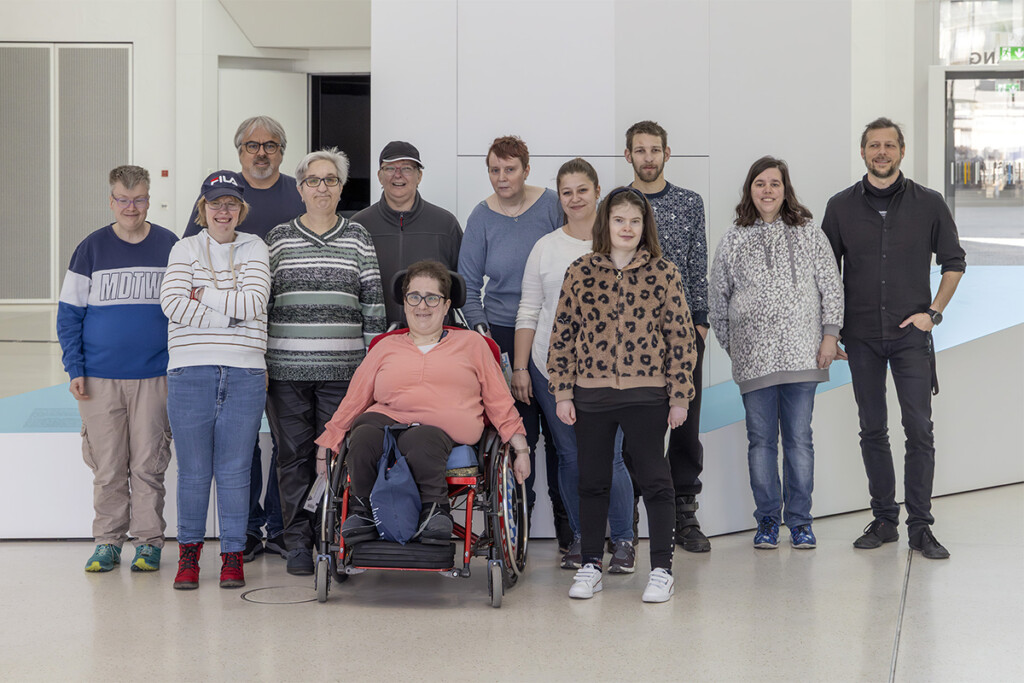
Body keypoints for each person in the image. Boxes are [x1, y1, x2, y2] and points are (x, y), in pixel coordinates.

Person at [822, 117, 966, 560]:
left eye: (888, 145)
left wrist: (933, 314)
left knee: (919, 430)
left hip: (910, 337)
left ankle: (921, 526)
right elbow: (827, 275)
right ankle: (885, 519)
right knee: (872, 429)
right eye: (873, 146)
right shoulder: (841, 206)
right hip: (861, 337)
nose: (881, 152)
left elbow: (954, 262)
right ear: (862, 152)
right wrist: (830, 331)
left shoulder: (929, 203)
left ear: (901, 151)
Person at [548, 187, 697, 603]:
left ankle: (663, 570)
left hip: (647, 394)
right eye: (618, 220)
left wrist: (680, 396)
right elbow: (562, 336)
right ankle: (592, 565)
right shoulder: (580, 271)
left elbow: (681, 338)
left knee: (656, 481)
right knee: (592, 481)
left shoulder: (664, 272)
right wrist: (562, 391)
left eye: (634, 220)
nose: (626, 227)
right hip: (590, 395)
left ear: (644, 225)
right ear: (605, 224)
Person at [314, 260, 530, 545]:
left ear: (446, 305)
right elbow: (355, 399)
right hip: (386, 424)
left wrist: (521, 448)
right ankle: (362, 511)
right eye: (414, 297)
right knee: (363, 432)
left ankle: (434, 512)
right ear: (405, 303)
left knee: (422, 439)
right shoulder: (385, 346)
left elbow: (498, 400)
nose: (422, 305)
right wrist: (328, 445)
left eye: (432, 298)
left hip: (441, 433)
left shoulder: (473, 344)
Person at [184, 116, 304, 562]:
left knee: (289, 441)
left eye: (271, 145)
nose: (261, 152)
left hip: (290, 340)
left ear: (281, 151)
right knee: (245, 442)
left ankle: (280, 524)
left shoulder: (299, 192)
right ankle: (249, 529)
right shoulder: (220, 195)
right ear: (239, 151)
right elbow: (189, 273)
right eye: (252, 145)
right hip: (237, 346)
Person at [708, 156, 844, 550]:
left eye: (775, 183)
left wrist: (829, 336)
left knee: (799, 440)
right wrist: (736, 347)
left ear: (786, 190)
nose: (767, 190)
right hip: (754, 363)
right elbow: (718, 299)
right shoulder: (733, 238)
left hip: (804, 357)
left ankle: (800, 521)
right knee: (761, 442)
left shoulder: (808, 233)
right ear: (750, 190)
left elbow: (830, 287)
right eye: (759, 184)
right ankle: (767, 520)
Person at [264, 148, 386, 575]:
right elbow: (264, 304)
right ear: (300, 189)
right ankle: (298, 542)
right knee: (292, 457)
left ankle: (331, 539)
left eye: (330, 180)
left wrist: (372, 372)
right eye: (313, 180)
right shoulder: (278, 238)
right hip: (287, 372)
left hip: (344, 374)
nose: (322, 187)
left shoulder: (358, 237)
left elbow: (373, 307)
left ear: (340, 188)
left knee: (337, 458)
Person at [513, 158, 635, 571]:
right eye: (567, 192)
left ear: (598, 191)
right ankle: (584, 539)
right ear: (559, 198)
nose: (575, 198)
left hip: (611, 374)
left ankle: (622, 541)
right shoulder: (546, 248)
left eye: (582, 190)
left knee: (612, 458)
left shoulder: (620, 240)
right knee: (569, 457)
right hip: (552, 371)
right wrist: (519, 367)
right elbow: (529, 310)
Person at [57, 165, 178, 574]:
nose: (131, 207)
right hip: (98, 378)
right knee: (107, 466)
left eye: (139, 198)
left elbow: (184, 312)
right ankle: (108, 542)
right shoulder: (90, 248)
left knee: (148, 464)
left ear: (149, 198)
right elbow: (69, 314)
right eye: (123, 199)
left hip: (154, 376)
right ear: (111, 201)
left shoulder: (169, 246)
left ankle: (148, 543)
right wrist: (74, 365)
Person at [161, 170, 271, 589]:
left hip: (244, 369)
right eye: (214, 204)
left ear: (240, 209)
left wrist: (202, 294)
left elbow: (256, 301)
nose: (222, 211)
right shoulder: (183, 248)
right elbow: (171, 303)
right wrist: (233, 314)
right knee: (192, 471)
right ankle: (188, 556)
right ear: (201, 210)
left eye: (230, 204)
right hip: (190, 367)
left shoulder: (255, 246)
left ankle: (232, 557)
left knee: (235, 469)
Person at [458, 135, 568, 544]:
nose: (501, 178)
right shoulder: (481, 217)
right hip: (502, 335)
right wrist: (486, 342)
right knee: (519, 435)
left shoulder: (552, 206)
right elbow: (467, 285)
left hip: (555, 331)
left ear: (526, 169)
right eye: (494, 170)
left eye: (510, 169)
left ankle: (568, 527)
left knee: (563, 436)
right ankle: (517, 525)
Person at [624, 120, 712, 552]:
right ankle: (631, 515)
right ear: (629, 156)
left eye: (654, 149)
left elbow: (698, 266)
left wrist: (700, 322)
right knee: (636, 424)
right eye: (640, 150)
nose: (648, 157)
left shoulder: (689, 203)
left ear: (666, 153)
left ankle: (684, 513)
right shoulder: (616, 205)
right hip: (628, 339)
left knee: (684, 424)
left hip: (682, 333)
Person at [352, 141, 462, 324]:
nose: (398, 175)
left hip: (434, 341)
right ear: (379, 176)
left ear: (419, 176)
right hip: (378, 339)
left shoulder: (445, 225)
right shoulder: (359, 227)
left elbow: (461, 285)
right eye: (390, 168)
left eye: (407, 168)